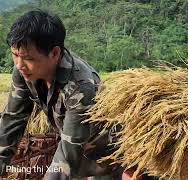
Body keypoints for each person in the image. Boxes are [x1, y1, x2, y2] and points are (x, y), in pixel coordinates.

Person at [0, 10, 122, 179]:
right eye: (15, 55)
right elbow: (12, 120)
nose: (19, 65)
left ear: (55, 53)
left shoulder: (81, 88)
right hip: (74, 150)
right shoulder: (24, 71)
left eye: (28, 58)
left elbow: (66, 157)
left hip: (106, 157)